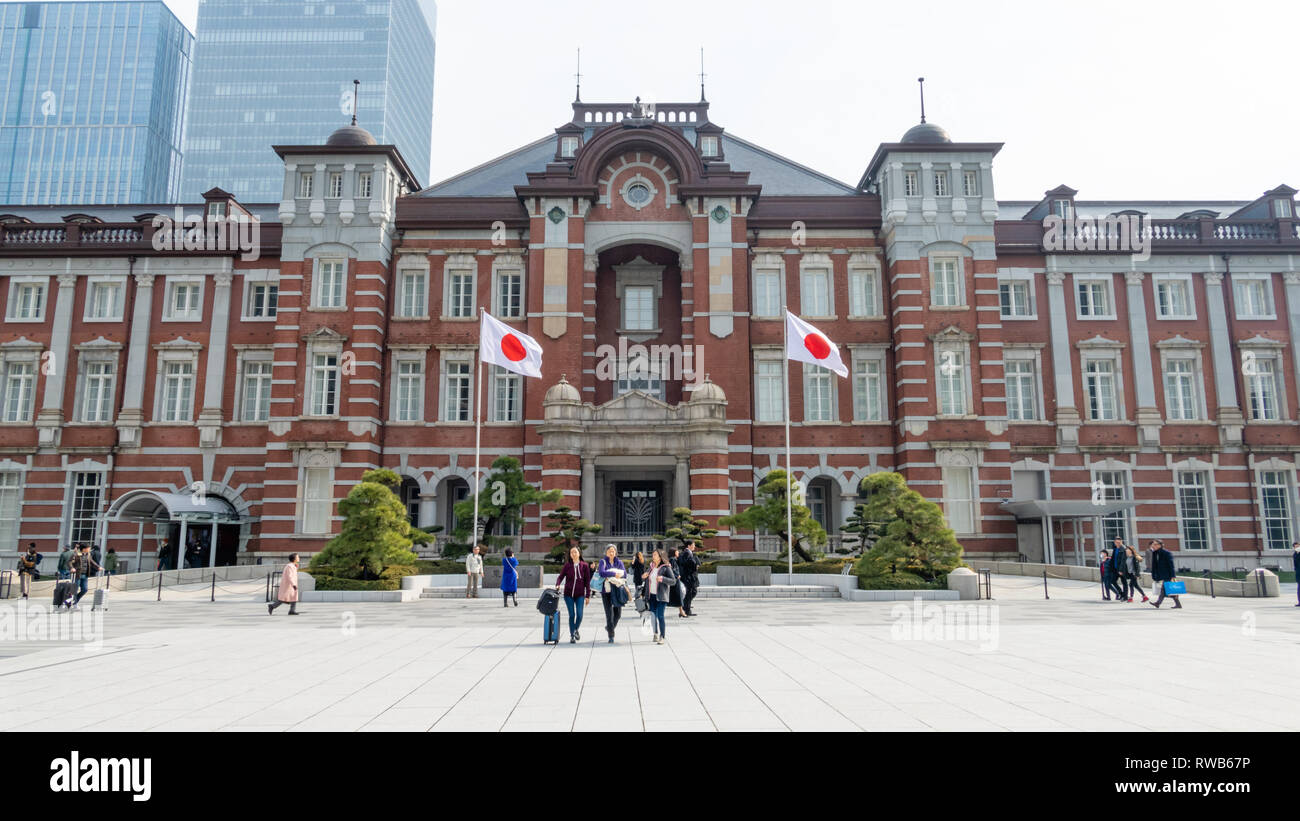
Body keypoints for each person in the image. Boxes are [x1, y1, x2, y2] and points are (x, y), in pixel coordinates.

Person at [555, 546, 592, 643]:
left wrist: (587, 596)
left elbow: (587, 582)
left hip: (580, 595)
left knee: (579, 615)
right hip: (568, 595)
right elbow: (560, 577)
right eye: (571, 553)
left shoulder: (584, 566)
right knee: (572, 615)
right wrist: (558, 584)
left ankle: (575, 630)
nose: (573, 554)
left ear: (579, 553)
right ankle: (572, 635)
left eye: (575, 552)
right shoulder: (567, 565)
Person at [642, 549, 678, 645]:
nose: (653, 556)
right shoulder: (651, 567)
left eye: (655, 555)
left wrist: (662, 579)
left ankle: (662, 636)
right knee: (653, 616)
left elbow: (673, 581)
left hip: (661, 596)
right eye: (653, 554)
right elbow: (647, 580)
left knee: (660, 616)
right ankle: (655, 633)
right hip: (651, 596)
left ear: (660, 556)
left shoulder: (666, 567)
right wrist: (644, 576)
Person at [597, 544, 627, 643]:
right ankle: (611, 635)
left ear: (616, 552)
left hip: (617, 590)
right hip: (606, 591)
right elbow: (601, 573)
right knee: (609, 614)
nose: (611, 552)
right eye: (609, 551)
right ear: (606, 552)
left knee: (618, 614)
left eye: (613, 551)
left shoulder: (619, 562)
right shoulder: (603, 561)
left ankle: (609, 627)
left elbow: (624, 574)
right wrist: (614, 573)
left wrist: (609, 573)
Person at [1148, 539, 1181, 609]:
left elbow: (1171, 565)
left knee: (1164, 590)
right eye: (1153, 544)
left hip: (1168, 574)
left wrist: (1173, 576)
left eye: (1155, 544)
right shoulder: (1155, 553)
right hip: (1161, 574)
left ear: (1160, 545)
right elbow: (1155, 565)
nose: (1153, 546)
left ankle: (1158, 603)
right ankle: (1177, 603)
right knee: (1166, 590)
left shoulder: (1167, 553)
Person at [678, 541, 700, 617]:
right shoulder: (687, 553)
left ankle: (686, 609)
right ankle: (686, 610)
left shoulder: (688, 553)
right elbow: (688, 563)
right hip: (688, 577)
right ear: (689, 545)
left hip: (688, 577)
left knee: (691, 593)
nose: (694, 546)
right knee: (689, 593)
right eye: (693, 545)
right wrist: (695, 566)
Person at [668, 547, 685, 617]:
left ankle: (681, 611)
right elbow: (671, 569)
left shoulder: (673, 560)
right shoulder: (672, 560)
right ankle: (681, 612)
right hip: (675, 581)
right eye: (677, 552)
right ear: (674, 553)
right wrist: (677, 575)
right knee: (679, 596)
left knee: (678, 596)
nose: (678, 553)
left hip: (674, 580)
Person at [1293, 541, 1300, 607]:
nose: (1297, 547)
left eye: (1298, 546)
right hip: (1298, 573)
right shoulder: (1295, 554)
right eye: (1296, 546)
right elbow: (1295, 565)